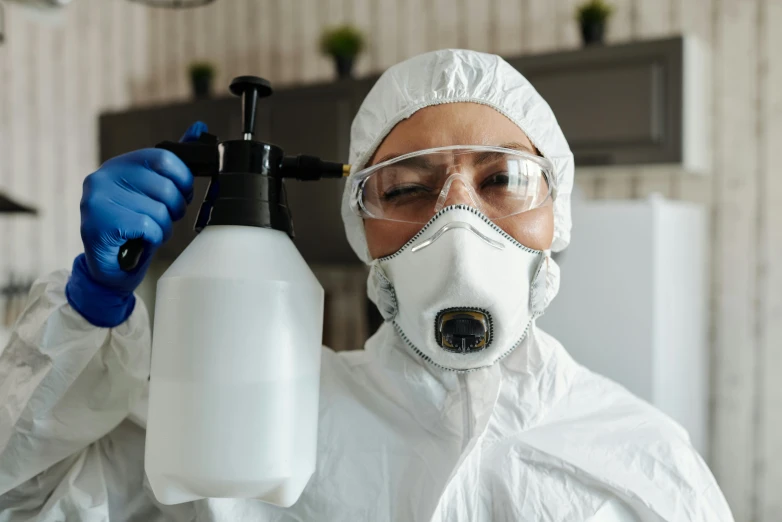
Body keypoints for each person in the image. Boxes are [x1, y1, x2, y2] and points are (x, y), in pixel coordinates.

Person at [0, 50, 733, 521]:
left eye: (503, 180)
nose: (458, 224)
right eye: (408, 189)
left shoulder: (638, 456)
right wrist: (88, 307)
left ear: (556, 214)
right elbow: (23, 500)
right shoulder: (248, 413)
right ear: (361, 229)